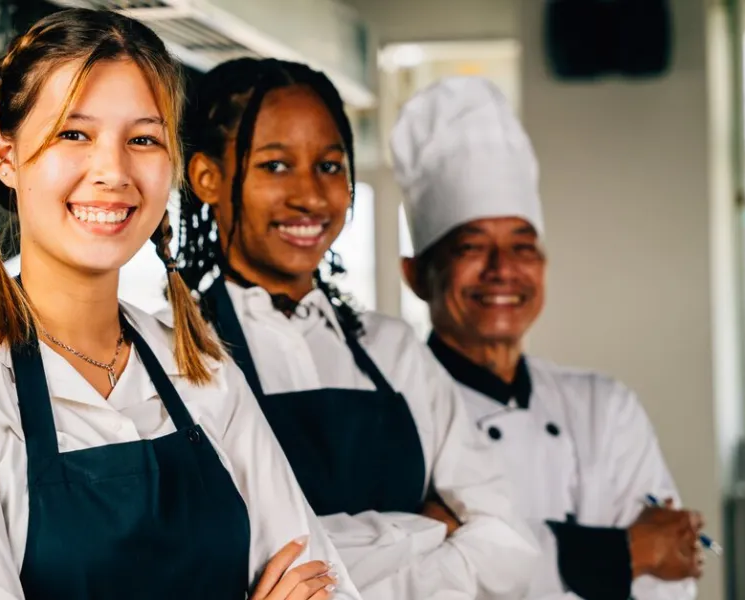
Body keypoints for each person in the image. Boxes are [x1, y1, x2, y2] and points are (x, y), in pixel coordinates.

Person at [0, 9, 360, 600]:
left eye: (143, 139)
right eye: (73, 133)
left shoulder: (201, 363)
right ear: (5, 155)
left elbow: (322, 583)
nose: (113, 171)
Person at [172, 58, 535, 600]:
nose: (312, 197)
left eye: (330, 165)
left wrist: (334, 575)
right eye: (275, 166)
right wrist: (428, 528)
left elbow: (509, 545)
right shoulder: (175, 356)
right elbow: (215, 564)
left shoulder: (394, 349)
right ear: (208, 178)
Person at [391, 76, 703, 600]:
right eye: (471, 246)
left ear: (544, 266)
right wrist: (625, 549)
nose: (502, 270)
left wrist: (480, 549)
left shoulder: (607, 407)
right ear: (417, 274)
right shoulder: (394, 413)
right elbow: (404, 580)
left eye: (522, 247)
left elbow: (665, 582)